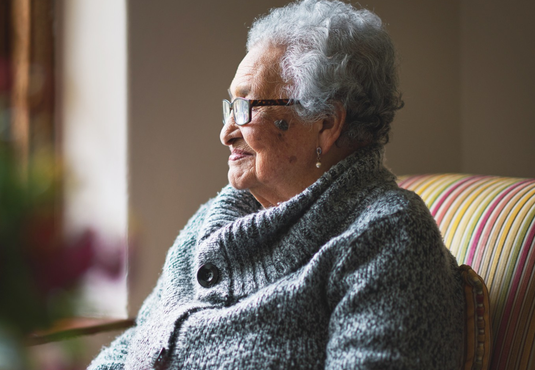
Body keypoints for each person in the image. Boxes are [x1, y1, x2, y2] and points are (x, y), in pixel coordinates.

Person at [89, 0, 464, 369]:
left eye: (247, 108)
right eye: (230, 107)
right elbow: (138, 340)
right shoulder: (215, 219)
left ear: (325, 123)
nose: (226, 133)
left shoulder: (386, 236)